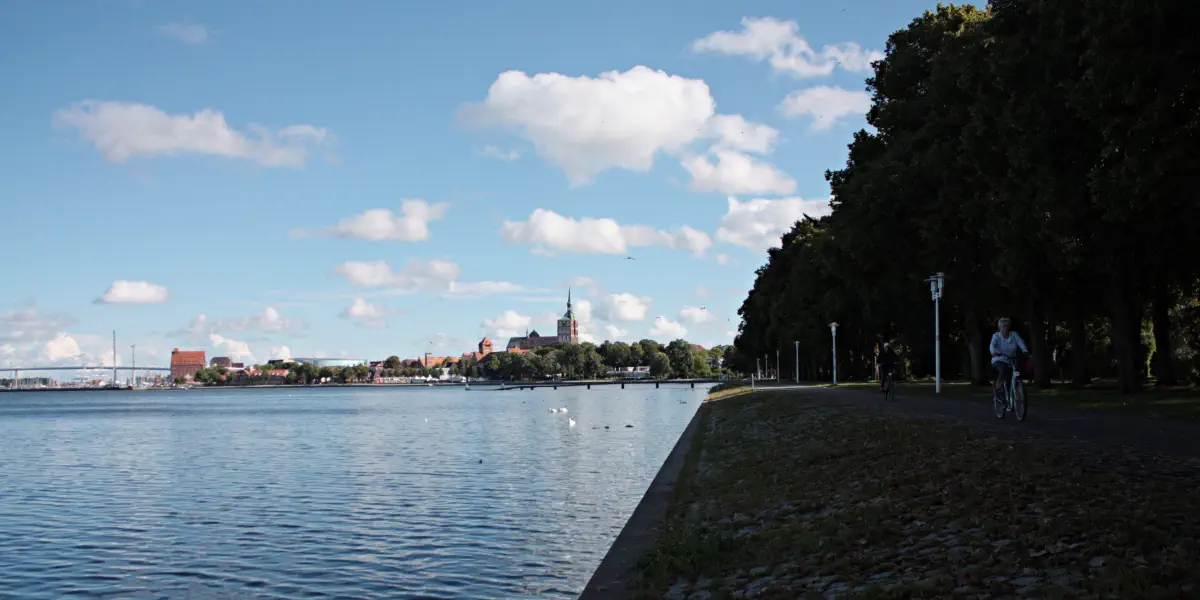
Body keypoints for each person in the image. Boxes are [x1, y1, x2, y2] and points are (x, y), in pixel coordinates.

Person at [990, 317, 1029, 394]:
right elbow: (992, 345)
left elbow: (1020, 343)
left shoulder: (1014, 335)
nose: (1005, 328)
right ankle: (999, 387)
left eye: (1007, 326)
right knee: (1003, 369)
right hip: (999, 359)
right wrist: (993, 352)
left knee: (1015, 373)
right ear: (1000, 327)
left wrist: (1025, 350)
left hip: (1011, 359)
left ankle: (1014, 390)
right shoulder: (996, 336)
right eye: (1003, 326)